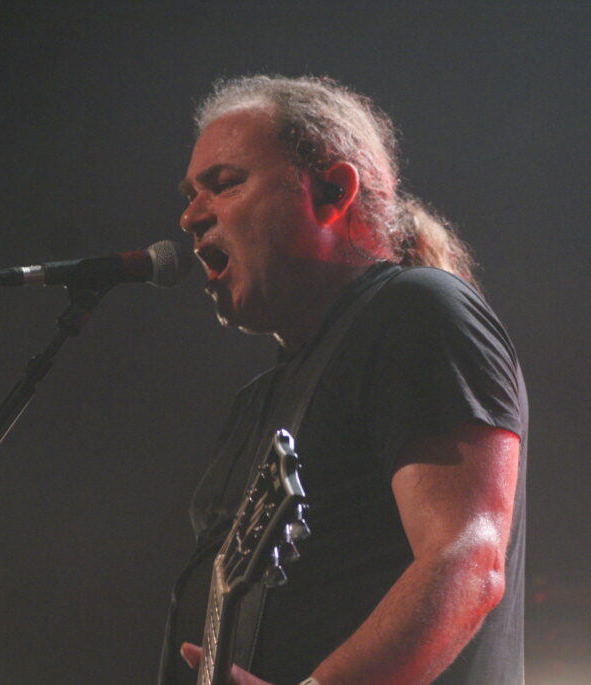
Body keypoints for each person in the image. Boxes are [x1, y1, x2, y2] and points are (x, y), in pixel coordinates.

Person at [158, 75, 527, 685]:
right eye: (191, 194)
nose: (191, 215)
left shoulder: (417, 310)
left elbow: (466, 559)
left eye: (224, 184)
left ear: (333, 191)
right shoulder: (260, 400)